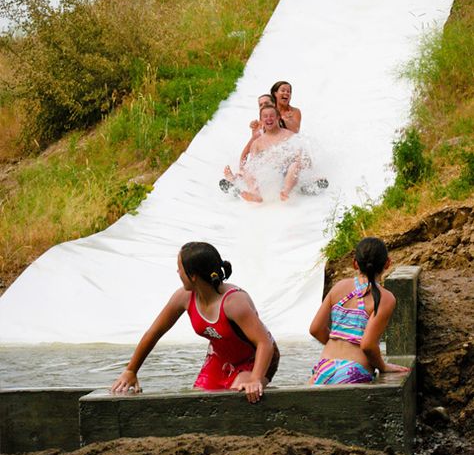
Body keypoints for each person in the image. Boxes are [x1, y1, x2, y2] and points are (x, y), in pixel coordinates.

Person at [110, 242, 279, 403]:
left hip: (257, 357)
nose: (177, 271)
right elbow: (154, 333)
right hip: (219, 358)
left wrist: (255, 379)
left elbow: (264, 343)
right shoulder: (183, 297)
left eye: (180, 268)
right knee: (199, 401)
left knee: (237, 397)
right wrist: (131, 370)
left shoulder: (233, 303)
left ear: (192, 276)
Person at [309, 237, 410, 385]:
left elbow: (315, 329)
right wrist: (383, 366)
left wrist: (339, 343)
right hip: (355, 370)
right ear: (388, 263)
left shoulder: (339, 287)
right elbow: (367, 345)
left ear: (355, 263)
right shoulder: (385, 298)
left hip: (325, 365)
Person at [241, 104, 301, 202]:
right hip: (270, 175)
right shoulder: (257, 143)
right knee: (248, 169)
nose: (269, 118)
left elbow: (300, 156)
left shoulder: (289, 135)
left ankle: (285, 192)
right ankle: (256, 194)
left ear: (278, 117)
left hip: (288, 174)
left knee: (295, 165)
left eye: (272, 115)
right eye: (265, 116)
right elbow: (253, 164)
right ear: (261, 120)